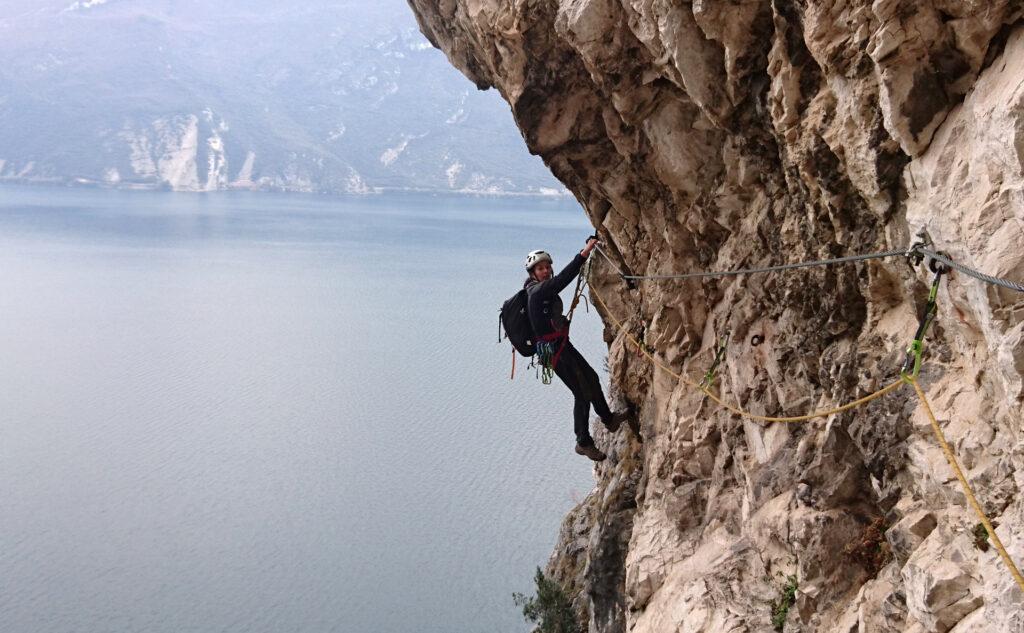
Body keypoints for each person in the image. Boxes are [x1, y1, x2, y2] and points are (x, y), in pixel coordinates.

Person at [524, 237, 628, 461]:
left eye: (547, 267)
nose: (546, 271)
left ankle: (608, 419)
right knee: (581, 393)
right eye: (540, 268)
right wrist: (584, 254)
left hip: (560, 347)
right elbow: (562, 280)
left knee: (591, 378)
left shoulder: (540, 291)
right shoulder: (537, 292)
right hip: (554, 353)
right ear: (533, 273)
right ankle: (583, 442)